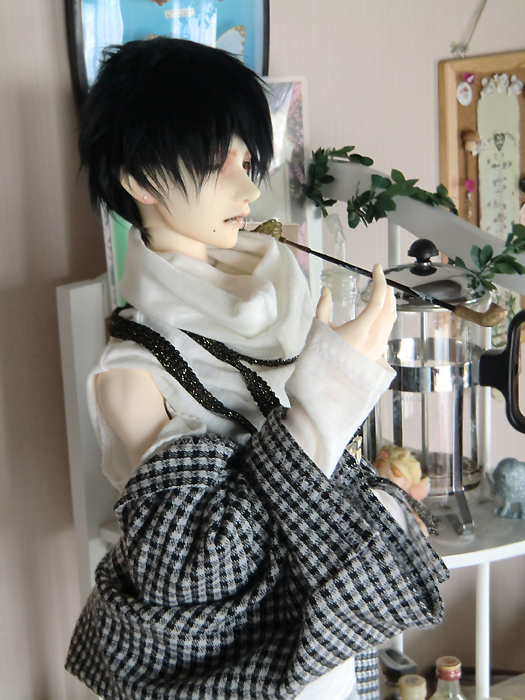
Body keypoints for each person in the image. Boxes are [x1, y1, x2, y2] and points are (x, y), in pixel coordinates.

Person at [66, 37, 448, 700]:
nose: (248, 186)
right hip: (242, 671)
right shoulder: (135, 370)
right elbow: (196, 566)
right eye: (217, 161)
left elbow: (318, 475)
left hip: (336, 649)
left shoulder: (284, 298)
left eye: (248, 160)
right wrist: (324, 393)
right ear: (140, 179)